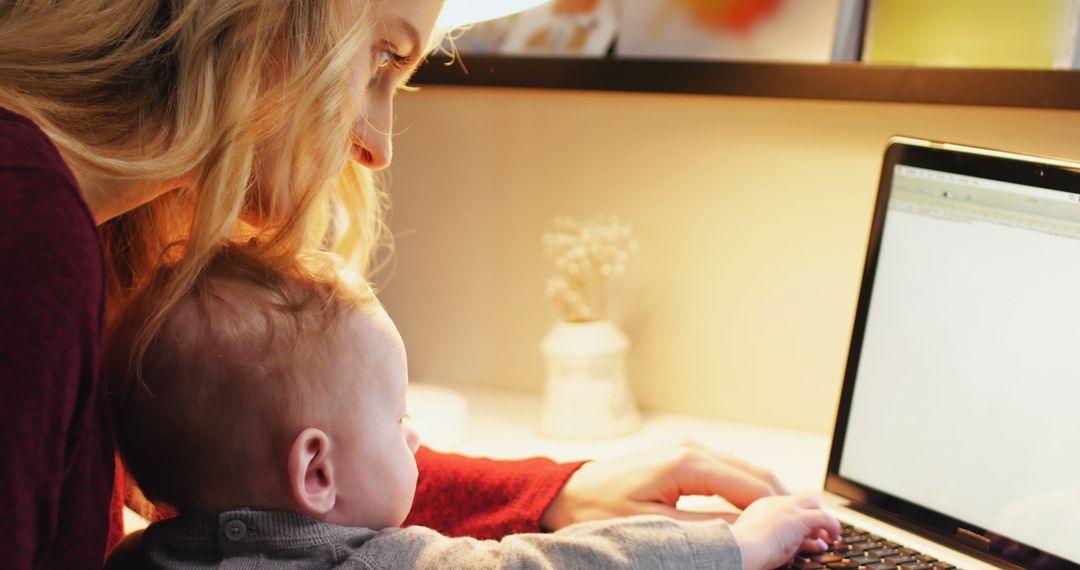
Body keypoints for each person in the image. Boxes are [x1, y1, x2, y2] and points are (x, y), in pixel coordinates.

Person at [0, 0, 795, 566]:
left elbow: (281, 487)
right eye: (383, 57)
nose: (378, 146)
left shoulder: (106, 246)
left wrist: (555, 493)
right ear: (266, 16)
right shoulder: (24, 227)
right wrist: (725, 545)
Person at [102, 244, 839, 569]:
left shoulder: (134, 557)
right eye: (396, 417)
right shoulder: (377, 566)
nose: (416, 437)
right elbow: (556, 568)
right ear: (316, 473)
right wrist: (738, 546)